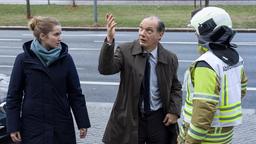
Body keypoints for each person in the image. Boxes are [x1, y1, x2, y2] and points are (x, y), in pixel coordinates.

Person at [98, 13, 182, 144]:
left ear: (160, 35)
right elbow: (105, 69)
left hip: (158, 119)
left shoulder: (169, 58)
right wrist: (109, 40)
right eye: (140, 28)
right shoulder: (125, 51)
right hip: (131, 118)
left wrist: (174, 111)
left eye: (149, 31)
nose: (142, 33)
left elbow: (175, 87)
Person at [6, 16, 91, 144]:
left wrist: (82, 122)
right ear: (42, 36)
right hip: (33, 127)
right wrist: (13, 126)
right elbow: (14, 96)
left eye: (60, 34)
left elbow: (75, 94)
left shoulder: (66, 59)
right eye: (56, 34)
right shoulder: (23, 60)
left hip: (61, 125)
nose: (60, 38)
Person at [178, 7, 248, 144]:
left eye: (195, 32)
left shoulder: (207, 64)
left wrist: (190, 141)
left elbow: (203, 109)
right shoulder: (235, 58)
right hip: (224, 136)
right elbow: (241, 90)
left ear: (205, 31)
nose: (195, 35)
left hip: (204, 138)